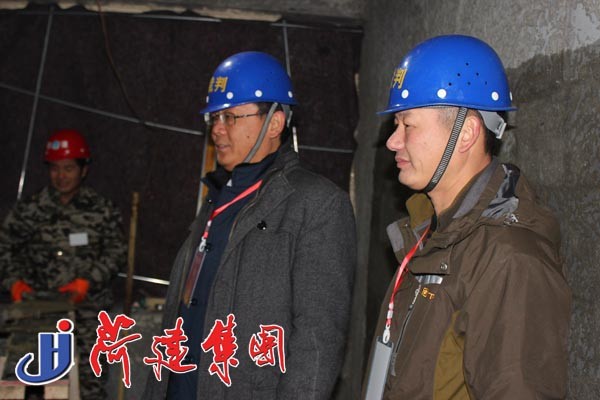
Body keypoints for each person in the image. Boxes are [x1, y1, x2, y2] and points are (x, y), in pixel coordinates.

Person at [363, 35, 571, 399]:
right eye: (396, 125)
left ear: (466, 133)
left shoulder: (509, 259)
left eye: (408, 125)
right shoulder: (428, 234)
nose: (393, 141)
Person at [142, 51, 356, 400]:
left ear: (274, 123)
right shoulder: (217, 200)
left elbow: (318, 341)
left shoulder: (316, 205)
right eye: (214, 117)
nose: (217, 129)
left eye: (230, 117)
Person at [0, 129, 127, 399]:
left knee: (89, 386)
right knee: (34, 385)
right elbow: (4, 247)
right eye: (55, 168)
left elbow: (116, 251)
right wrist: (14, 283)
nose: (61, 176)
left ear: (83, 169)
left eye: (68, 168)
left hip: (87, 316)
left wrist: (88, 281)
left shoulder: (101, 209)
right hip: (38, 314)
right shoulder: (30, 209)